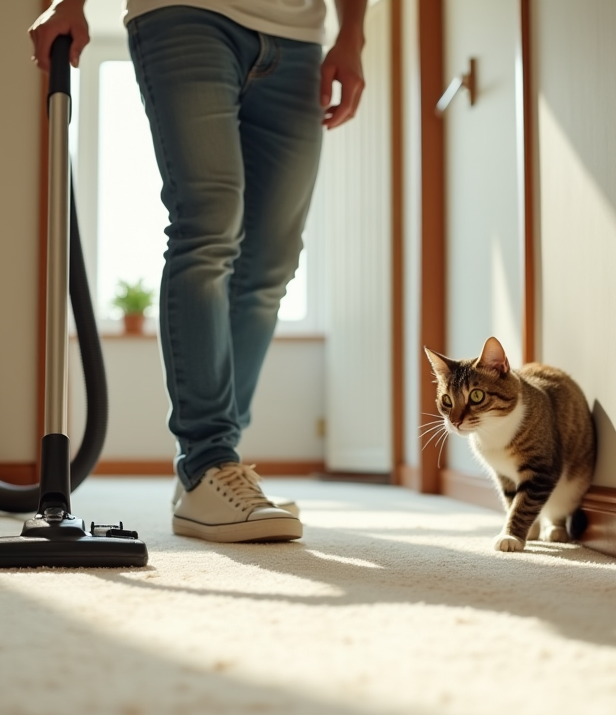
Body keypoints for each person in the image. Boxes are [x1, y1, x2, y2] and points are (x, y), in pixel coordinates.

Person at [29, 0, 366, 544]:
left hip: (299, 34)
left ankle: (213, 469)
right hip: (185, 13)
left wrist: (353, 34)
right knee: (208, 229)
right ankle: (207, 460)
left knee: (272, 264)